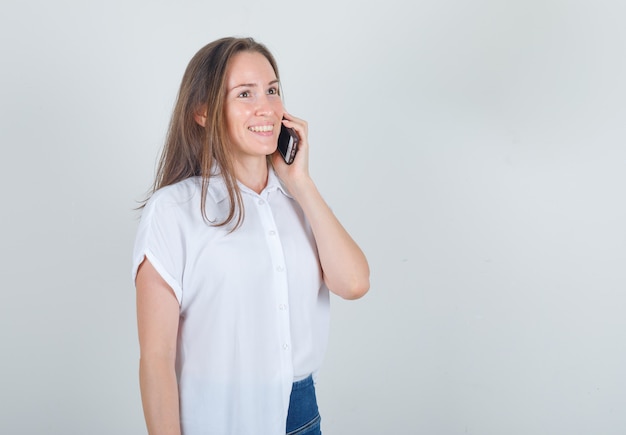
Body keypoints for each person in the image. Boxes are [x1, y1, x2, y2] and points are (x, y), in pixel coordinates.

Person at [132, 36, 370, 435]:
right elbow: (156, 359)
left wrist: (301, 182)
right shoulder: (173, 211)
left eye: (273, 90)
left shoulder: (297, 201)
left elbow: (354, 283)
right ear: (204, 112)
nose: (267, 107)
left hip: (300, 413)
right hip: (216, 415)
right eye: (245, 93)